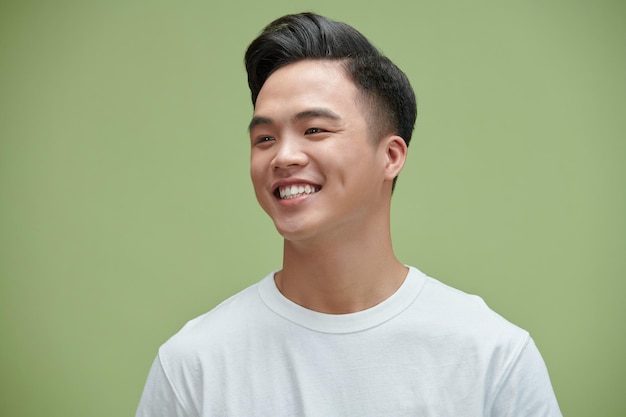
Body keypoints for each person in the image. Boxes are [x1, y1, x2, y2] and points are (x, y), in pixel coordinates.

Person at [135, 12, 562, 416]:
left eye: (314, 130)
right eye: (264, 138)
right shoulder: (193, 365)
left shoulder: (490, 355)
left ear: (391, 156)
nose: (283, 156)